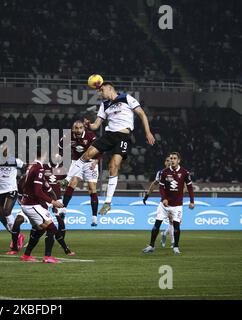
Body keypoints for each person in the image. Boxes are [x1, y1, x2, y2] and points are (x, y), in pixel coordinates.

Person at [69, 82, 156, 215]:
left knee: (113, 166)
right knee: (87, 155)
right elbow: (96, 126)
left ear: (110, 89)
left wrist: (148, 132)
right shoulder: (104, 105)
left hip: (123, 136)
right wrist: (89, 125)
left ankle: (108, 203)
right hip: (109, 135)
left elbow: (142, 114)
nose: (100, 93)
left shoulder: (126, 98)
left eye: (102, 90)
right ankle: (67, 179)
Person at [18, 148, 66, 263]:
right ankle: (48, 256)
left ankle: (26, 255)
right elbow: (38, 192)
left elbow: (25, 185)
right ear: (44, 155)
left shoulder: (31, 166)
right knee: (52, 227)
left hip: (28, 203)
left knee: (40, 229)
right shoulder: (39, 168)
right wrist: (53, 202)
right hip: (32, 204)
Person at [143, 152, 195, 255]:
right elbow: (161, 187)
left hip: (177, 205)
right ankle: (151, 245)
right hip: (164, 205)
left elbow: (189, 187)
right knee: (156, 225)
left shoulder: (185, 172)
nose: (172, 160)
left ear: (178, 160)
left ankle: (175, 247)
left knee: (176, 226)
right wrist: (164, 199)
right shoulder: (164, 172)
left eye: (174, 158)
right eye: (171, 158)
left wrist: (192, 201)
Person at [60, 120, 101, 227]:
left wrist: (96, 161)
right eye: (76, 128)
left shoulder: (90, 136)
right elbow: (60, 148)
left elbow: (100, 149)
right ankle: (63, 209)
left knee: (92, 188)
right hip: (76, 162)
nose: (78, 130)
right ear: (73, 128)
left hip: (90, 163)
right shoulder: (68, 136)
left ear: (84, 128)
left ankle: (94, 217)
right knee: (72, 183)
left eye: (80, 128)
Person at [143, 155, 174, 248]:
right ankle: (153, 244)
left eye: (171, 160)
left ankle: (165, 234)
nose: (169, 162)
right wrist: (147, 195)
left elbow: (184, 187)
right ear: (165, 162)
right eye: (167, 160)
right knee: (159, 222)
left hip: (175, 202)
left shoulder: (178, 172)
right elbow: (154, 184)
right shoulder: (160, 173)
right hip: (164, 202)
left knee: (175, 222)